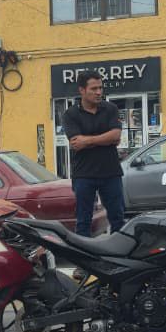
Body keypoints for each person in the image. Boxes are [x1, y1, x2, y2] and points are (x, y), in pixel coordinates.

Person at [61, 70, 126, 237]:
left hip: (110, 172)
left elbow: (116, 136)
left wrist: (87, 141)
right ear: (82, 90)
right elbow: (76, 143)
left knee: (118, 219)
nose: (99, 92)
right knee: (83, 221)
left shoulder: (110, 109)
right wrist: (106, 139)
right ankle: (84, 260)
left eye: (100, 88)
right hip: (84, 174)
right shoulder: (70, 114)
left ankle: (121, 258)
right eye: (94, 89)